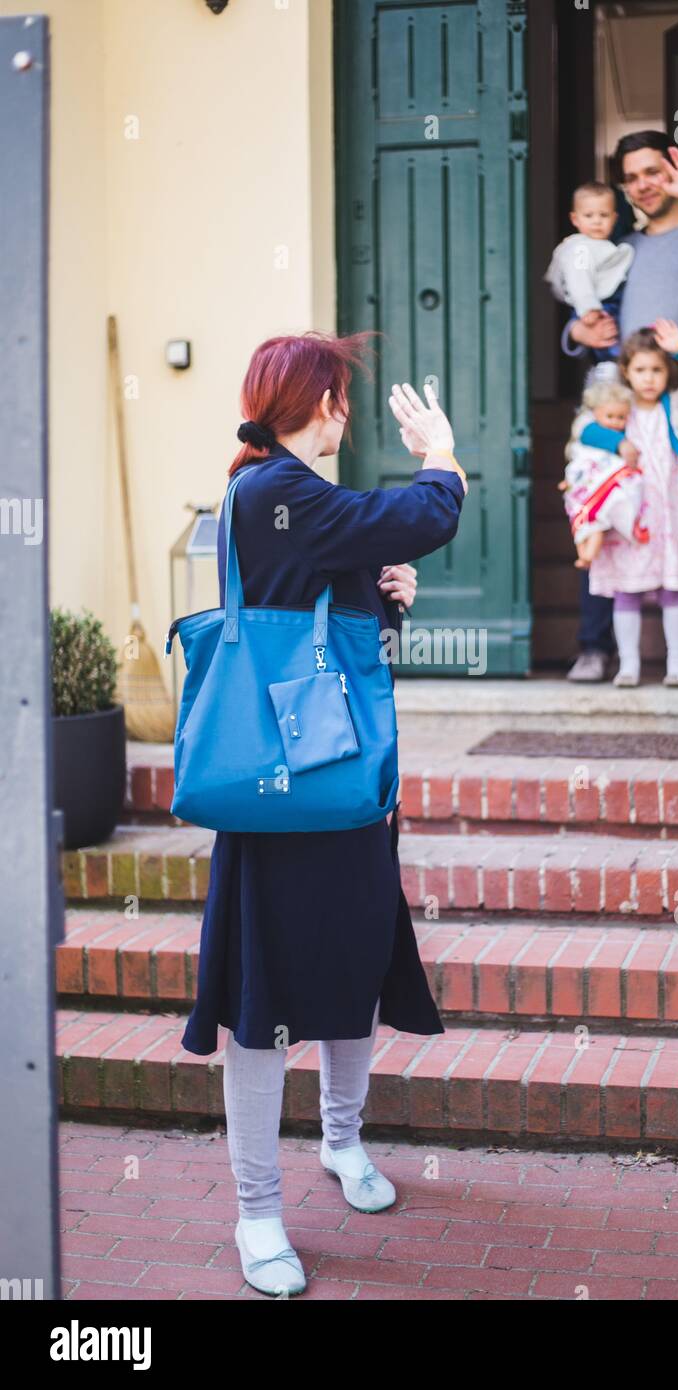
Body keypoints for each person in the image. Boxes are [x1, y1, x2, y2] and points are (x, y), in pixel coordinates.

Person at [179, 332, 467, 1296]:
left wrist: (389, 598)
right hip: (281, 795)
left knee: (350, 969)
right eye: (341, 394)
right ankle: (258, 1211)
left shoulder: (295, 499)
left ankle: (342, 1146)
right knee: (261, 1010)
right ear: (323, 402)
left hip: (339, 783)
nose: (347, 410)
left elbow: (333, 600)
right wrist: (443, 453)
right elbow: (423, 511)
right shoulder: (274, 490)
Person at [561, 132, 678, 682]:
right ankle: (596, 649)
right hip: (620, 417)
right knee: (603, 516)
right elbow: (582, 303)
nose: (644, 185)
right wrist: (576, 331)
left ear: (675, 171)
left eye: (654, 171)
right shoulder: (625, 248)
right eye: (633, 177)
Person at [580, 319, 678, 689]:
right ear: (626, 371)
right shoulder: (618, 409)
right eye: (640, 370)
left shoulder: (675, 407)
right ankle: (628, 666)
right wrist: (617, 443)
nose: (649, 378)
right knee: (627, 589)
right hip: (631, 519)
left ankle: (677, 664)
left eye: (657, 370)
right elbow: (584, 430)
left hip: (672, 516)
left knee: (673, 590)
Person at [559, 378, 647, 567]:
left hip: (604, 496)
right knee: (583, 524)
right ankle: (584, 556)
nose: (615, 422)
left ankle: (587, 557)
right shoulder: (590, 434)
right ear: (595, 413)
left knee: (596, 525)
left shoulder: (623, 437)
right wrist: (570, 481)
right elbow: (582, 464)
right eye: (610, 416)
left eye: (621, 418)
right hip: (586, 490)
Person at [544, 181, 634, 364]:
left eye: (604, 215)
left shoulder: (601, 246)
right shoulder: (580, 248)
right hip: (595, 305)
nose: (596, 221)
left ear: (614, 218)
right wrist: (588, 307)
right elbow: (578, 279)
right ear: (575, 219)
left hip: (605, 302)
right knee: (607, 338)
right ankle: (608, 367)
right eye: (588, 215)